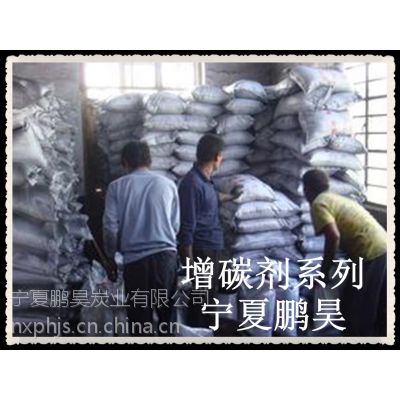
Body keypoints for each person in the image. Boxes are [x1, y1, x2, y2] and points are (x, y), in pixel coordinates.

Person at [103, 141, 180, 336]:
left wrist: (111, 256)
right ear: (150, 161)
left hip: (136, 264)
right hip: (166, 260)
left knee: (139, 325)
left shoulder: (116, 187)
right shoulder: (168, 185)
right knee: (166, 320)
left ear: (125, 163)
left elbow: (110, 227)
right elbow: (175, 226)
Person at [302, 169, 387, 336]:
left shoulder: (319, 203)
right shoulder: (335, 198)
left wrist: (324, 273)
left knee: (358, 308)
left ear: (307, 189)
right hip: (381, 245)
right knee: (375, 303)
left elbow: (333, 236)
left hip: (369, 251)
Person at [177, 134, 241, 327]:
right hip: (202, 252)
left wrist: (231, 197)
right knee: (201, 305)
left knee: (217, 295)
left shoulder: (204, 181)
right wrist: (190, 268)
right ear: (217, 156)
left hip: (214, 250)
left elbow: (212, 197)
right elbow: (186, 229)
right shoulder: (191, 184)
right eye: (221, 156)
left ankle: (209, 331)